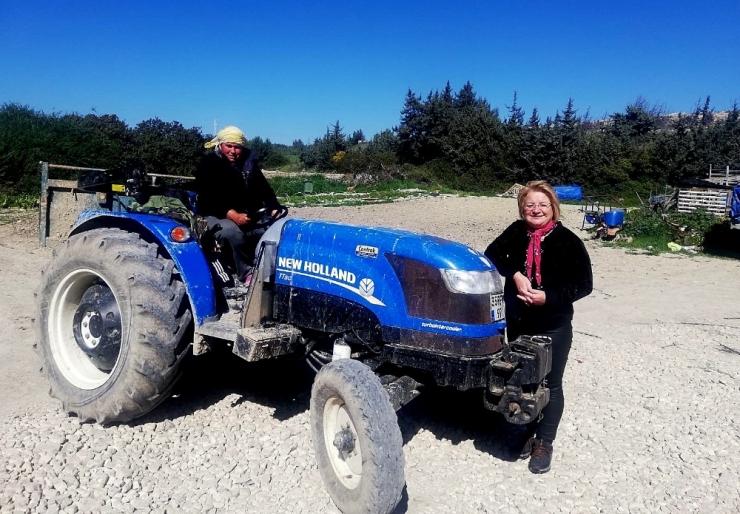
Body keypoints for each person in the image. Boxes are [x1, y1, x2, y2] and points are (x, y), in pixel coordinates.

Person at [484, 180, 593, 474]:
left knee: (550, 384)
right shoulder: (516, 232)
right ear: (522, 209)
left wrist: (549, 297)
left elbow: (584, 285)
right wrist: (516, 274)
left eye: (543, 205)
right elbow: (490, 255)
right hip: (519, 322)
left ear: (553, 208)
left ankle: (544, 443)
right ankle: (526, 429)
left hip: (553, 324)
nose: (536, 210)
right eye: (530, 205)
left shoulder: (568, 241)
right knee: (523, 381)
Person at [194, 126, 281, 285]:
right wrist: (231, 214)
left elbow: (264, 189)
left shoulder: (249, 164)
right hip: (215, 212)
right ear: (220, 145)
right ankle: (246, 273)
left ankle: (268, 270)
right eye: (229, 146)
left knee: (271, 230)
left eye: (237, 147)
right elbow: (208, 197)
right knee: (232, 232)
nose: (233, 151)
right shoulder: (209, 163)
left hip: (247, 212)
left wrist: (274, 206)